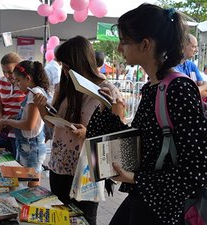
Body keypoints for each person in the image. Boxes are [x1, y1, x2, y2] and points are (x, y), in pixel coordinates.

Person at [84, 4, 206, 225]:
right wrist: (107, 107)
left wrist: (136, 178)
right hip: (146, 197)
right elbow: (142, 142)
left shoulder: (179, 89)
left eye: (124, 41)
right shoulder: (154, 86)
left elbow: (196, 170)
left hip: (164, 209)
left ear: (145, 44)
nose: (119, 48)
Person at [33, 35, 124, 225]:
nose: (64, 71)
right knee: (59, 218)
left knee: (84, 220)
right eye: (62, 66)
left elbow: (116, 138)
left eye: (67, 66)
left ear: (79, 63)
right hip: (59, 164)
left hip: (86, 169)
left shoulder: (106, 89)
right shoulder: (65, 86)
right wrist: (42, 109)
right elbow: (54, 125)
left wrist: (87, 134)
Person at [0, 60, 50, 187]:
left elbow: (29, 125)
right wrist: (8, 119)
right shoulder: (32, 93)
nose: (16, 84)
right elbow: (25, 116)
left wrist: (7, 121)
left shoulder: (35, 94)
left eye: (18, 81)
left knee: (32, 187)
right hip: (26, 144)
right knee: (27, 182)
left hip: (33, 146)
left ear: (28, 78)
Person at [0, 53, 25, 159]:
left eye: (10, 72)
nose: (7, 75)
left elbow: (28, 111)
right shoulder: (0, 82)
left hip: (20, 133)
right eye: (4, 71)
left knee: (18, 167)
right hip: (4, 132)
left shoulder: (24, 84)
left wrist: (11, 122)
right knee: (4, 163)